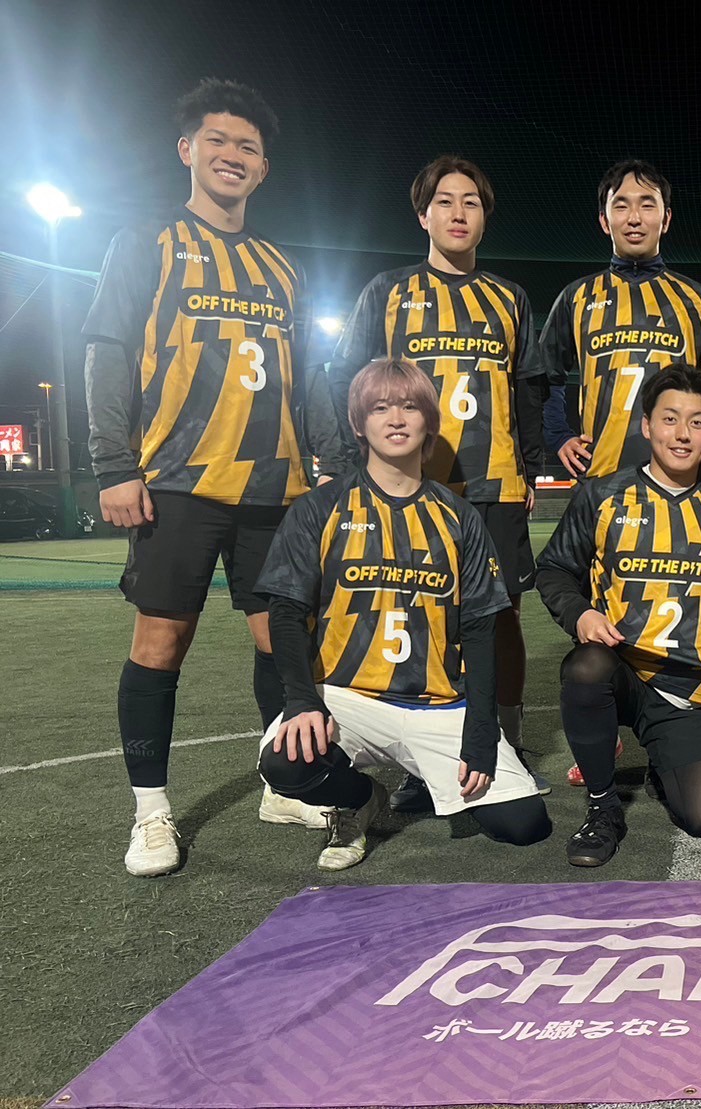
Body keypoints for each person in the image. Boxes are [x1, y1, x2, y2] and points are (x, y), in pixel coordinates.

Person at [83, 78, 339, 877]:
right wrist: (113, 464)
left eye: (248, 147)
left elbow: (308, 376)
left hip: (276, 490)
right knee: (162, 641)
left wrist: (331, 463)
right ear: (187, 149)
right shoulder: (146, 243)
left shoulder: (281, 266)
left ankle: (281, 785)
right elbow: (107, 351)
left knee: (281, 640)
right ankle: (150, 812)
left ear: (264, 167)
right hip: (177, 482)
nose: (233, 155)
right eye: (219, 141)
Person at [255, 358, 551, 870]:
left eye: (410, 407)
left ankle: (434, 773)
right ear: (358, 423)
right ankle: (358, 798)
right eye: (380, 408)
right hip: (347, 697)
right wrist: (302, 701)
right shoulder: (320, 508)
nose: (396, 419)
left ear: (429, 421)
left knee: (524, 825)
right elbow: (285, 614)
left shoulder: (459, 517)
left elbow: (481, 631)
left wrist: (482, 728)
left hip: (438, 705)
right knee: (284, 762)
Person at [327, 155, 548, 809]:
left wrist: (529, 466)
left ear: (484, 217)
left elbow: (527, 390)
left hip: (494, 485)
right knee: (417, 615)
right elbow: (346, 380)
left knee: (501, 616)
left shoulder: (509, 298)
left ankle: (504, 741)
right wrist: (353, 464)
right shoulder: (387, 291)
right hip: (408, 490)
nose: (458, 213)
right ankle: (420, 758)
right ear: (422, 215)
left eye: (470, 202)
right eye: (445, 201)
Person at [538, 158, 701, 785]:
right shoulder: (577, 297)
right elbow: (546, 377)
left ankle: (685, 715)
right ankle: (604, 729)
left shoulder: (696, 298)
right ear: (603, 219)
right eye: (621, 204)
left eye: (647, 204)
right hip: (606, 482)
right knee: (600, 606)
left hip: (685, 486)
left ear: (667, 217)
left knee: (690, 598)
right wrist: (559, 437)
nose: (634, 216)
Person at [536, 365, 701, 867]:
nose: (682, 434)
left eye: (697, 422)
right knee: (586, 667)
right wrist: (580, 615)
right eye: (670, 419)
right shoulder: (602, 495)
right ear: (646, 426)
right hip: (618, 670)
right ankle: (603, 806)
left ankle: (666, 767)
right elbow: (554, 570)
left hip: (686, 688)